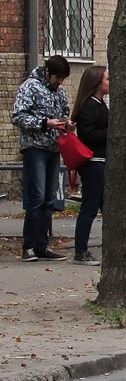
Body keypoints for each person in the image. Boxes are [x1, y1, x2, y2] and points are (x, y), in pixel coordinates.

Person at [10, 56, 71, 261]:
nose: (60, 82)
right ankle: (28, 245)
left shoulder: (59, 92)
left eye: (62, 79)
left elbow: (64, 112)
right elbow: (18, 116)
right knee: (36, 196)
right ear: (47, 72)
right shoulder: (30, 87)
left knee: (48, 198)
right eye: (58, 78)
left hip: (54, 148)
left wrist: (66, 123)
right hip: (34, 147)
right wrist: (45, 123)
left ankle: (42, 245)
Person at [71, 65, 109, 266]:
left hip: (102, 161)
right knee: (89, 207)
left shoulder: (101, 104)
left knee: (109, 208)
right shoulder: (89, 106)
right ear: (97, 83)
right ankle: (81, 251)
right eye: (107, 79)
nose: (109, 83)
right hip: (93, 162)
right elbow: (88, 135)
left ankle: (116, 249)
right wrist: (111, 131)